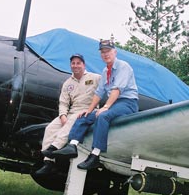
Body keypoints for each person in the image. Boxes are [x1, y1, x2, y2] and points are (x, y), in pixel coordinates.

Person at [52, 38, 139, 170]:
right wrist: (89, 110)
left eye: (108, 51)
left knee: (102, 116)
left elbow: (117, 90)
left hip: (128, 103)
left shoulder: (123, 67)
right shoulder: (105, 71)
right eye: (103, 52)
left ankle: (95, 155)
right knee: (83, 116)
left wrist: (105, 107)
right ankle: (73, 145)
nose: (105, 54)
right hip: (115, 104)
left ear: (115, 52)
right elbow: (99, 93)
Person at [34, 53, 101, 177]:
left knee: (73, 120)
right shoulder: (67, 83)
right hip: (72, 111)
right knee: (50, 128)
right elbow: (63, 102)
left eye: (78, 63)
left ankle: (54, 148)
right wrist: (63, 115)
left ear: (83, 65)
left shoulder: (95, 77)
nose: (75, 66)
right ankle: (49, 163)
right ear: (70, 65)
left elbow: (106, 87)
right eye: (73, 63)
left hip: (87, 111)